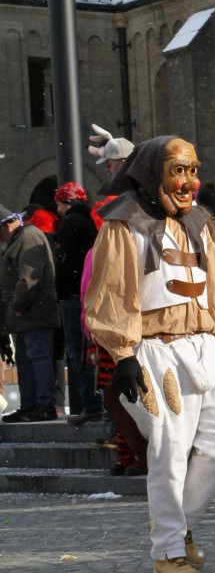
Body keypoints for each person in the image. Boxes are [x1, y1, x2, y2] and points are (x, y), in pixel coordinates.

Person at [84, 136, 215, 573]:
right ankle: (169, 552)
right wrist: (124, 353)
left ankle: (176, 523)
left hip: (204, 347)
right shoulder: (123, 224)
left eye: (193, 170)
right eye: (178, 171)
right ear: (155, 175)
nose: (188, 181)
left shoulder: (200, 222)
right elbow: (112, 292)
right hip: (156, 350)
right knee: (169, 451)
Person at [0, 206, 59, 422]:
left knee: (37, 357)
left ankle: (44, 405)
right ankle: (30, 405)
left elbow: (28, 279)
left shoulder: (28, 237)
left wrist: (18, 304)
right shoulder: (20, 239)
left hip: (34, 313)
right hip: (25, 316)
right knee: (26, 359)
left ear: (7, 224)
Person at [54, 182, 104, 425]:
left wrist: (61, 288)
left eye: (59, 204)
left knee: (78, 352)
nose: (58, 210)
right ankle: (96, 403)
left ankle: (91, 405)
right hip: (87, 292)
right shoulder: (88, 222)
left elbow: (66, 263)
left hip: (74, 295)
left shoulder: (70, 223)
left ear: (67, 203)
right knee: (88, 351)